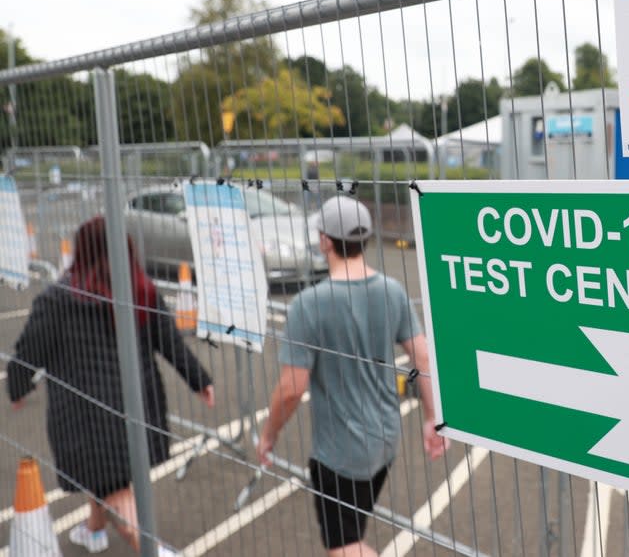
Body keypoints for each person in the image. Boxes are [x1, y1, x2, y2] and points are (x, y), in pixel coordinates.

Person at [6, 216, 214, 555]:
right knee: (107, 477)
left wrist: (17, 387)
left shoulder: (58, 299)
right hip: (138, 406)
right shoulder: (139, 289)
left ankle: (156, 552)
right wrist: (200, 381)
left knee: (113, 486)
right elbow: (169, 340)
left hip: (86, 415)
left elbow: (29, 350)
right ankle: (94, 529)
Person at [257, 195, 447, 557]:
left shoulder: (308, 304)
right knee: (353, 530)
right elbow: (422, 356)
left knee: (343, 546)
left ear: (325, 241)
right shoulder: (392, 291)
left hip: (339, 453)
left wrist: (269, 434)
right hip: (385, 440)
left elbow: (291, 388)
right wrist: (431, 417)